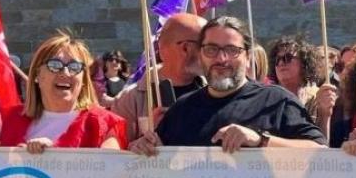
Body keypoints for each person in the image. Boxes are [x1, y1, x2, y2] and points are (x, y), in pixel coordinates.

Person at [129, 17, 326, 154]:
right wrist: (144, 147)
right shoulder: (181, 109)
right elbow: (160, 159)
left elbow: (320, 152)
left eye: (232, 50)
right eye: (211, 49)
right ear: (200, 55)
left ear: (248, 57)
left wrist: (261, 140)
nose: (221, 59)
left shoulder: (277, 101)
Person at [0, 32, 126, 151]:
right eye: (55, 65)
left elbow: (111, 170)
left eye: (74, 67)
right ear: (37, 75)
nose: (65, 73)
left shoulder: (103, 124)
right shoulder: (13, 119)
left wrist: (56, 155)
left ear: (83, 79)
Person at [111, 13, 205, 144]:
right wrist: (139, 145)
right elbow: (114, 155)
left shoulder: (216, 91)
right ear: (185, 48)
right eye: (207, 46)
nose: (213, 54)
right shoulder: (131, 99)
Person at [268, 36, 320, 110]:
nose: (281, 63)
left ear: (303, 63)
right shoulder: (267, 99)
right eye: (277, 60)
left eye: (287, 58)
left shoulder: (318, 98)